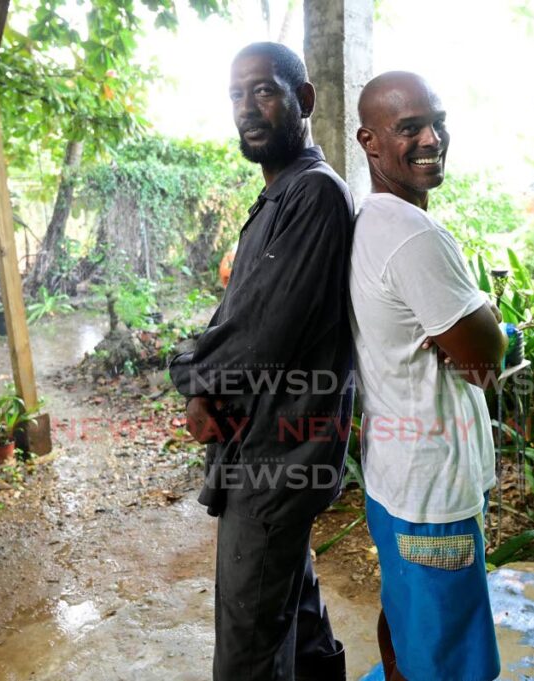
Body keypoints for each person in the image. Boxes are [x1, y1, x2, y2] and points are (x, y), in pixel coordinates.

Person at [168, 43, 355, 681]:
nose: (247, 109)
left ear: (302, 100)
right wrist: (202, 385)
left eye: (265, 91)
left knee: (248, 647)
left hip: (279, 457)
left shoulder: (314, 196)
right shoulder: (280, 196)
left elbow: (259, 335)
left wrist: (190, 376)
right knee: (291, 612)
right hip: (265, 449)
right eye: (236, 95)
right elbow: (243, 316)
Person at [349, 71, 506, 681]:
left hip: (394, 479)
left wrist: (471, 325)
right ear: (370, 141)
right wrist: (484, 313)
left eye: (437, 121)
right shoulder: (415, 237)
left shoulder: (371, 220)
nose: (431, 138)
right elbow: (485, 361)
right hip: (433, 495)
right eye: (408, 127)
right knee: (451, 662)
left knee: (409, 622)